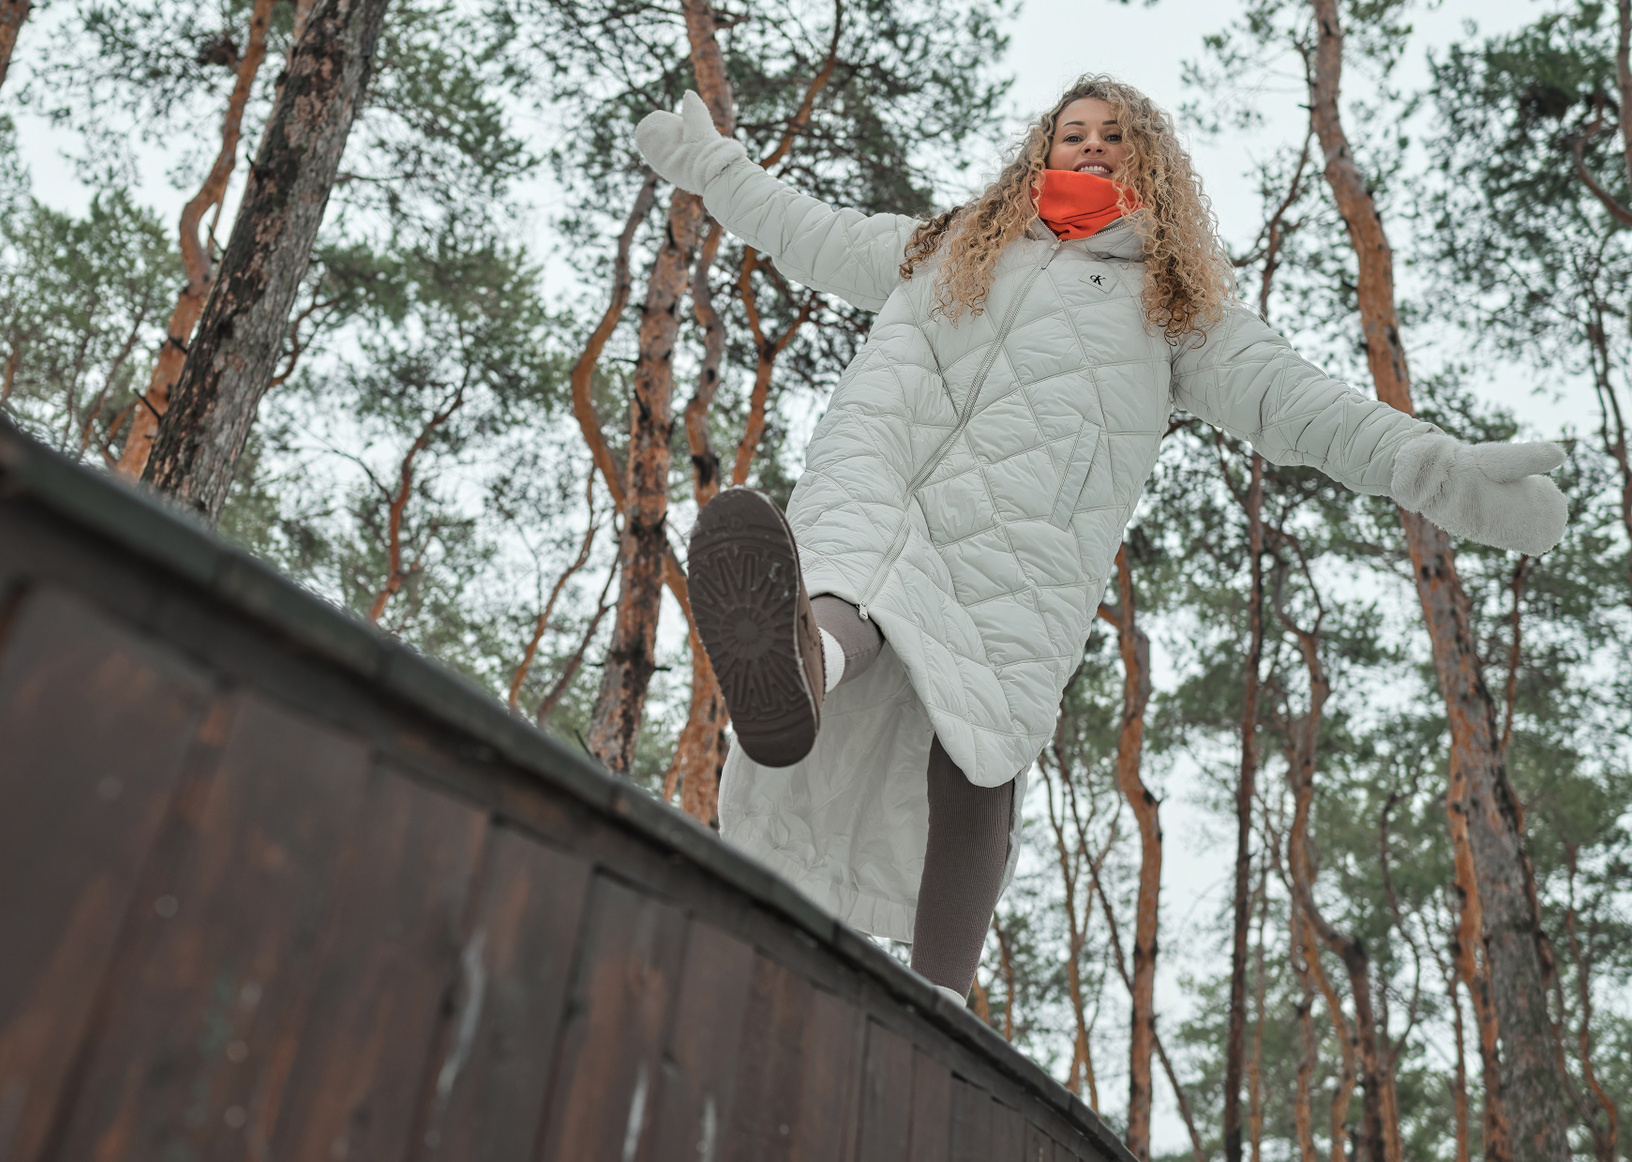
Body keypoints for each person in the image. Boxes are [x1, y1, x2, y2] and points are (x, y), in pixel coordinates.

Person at [633, 75, 1569, 1007]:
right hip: (879, 464)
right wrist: (714, 166)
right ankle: (797, 669)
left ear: (1147, 160)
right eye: (1072, 130)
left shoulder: (1173, 306)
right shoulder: (944, 246)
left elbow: (1298, 404)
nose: (1090, 144)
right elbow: (806, 229)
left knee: (980, 738)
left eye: (1114, 135)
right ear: (1041, 151)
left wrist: (1436, 469)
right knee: (845, 587)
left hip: (1023, 538)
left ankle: (941, 1000)